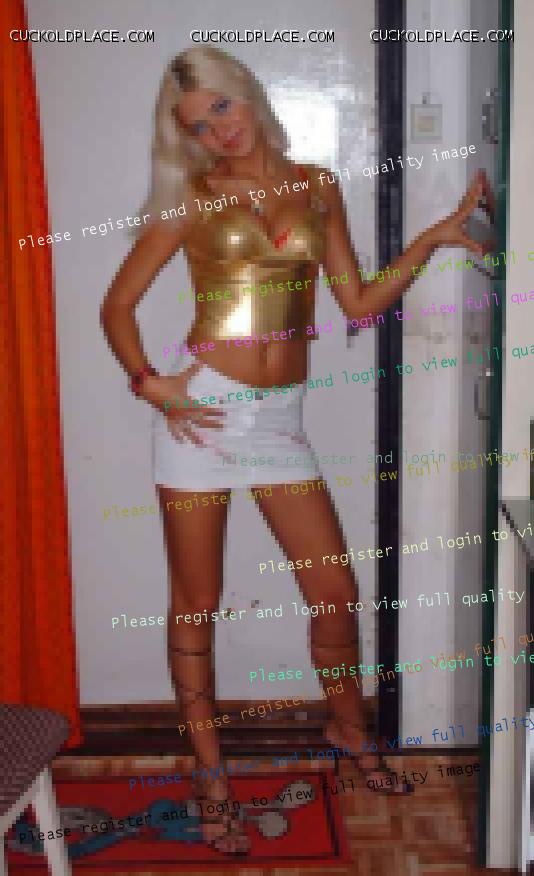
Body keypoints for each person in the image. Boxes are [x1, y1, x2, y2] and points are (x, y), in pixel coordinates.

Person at [101, 45, 491, 856]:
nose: (219, 131)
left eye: (222, 107)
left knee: (334, 593)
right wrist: (151, 384)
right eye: (198, 125)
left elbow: (358, 302)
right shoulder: (192, 199)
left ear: (247, 94)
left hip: (280, 422)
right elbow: (118, 306)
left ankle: (348, 731)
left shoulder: (318, 185)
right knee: (196, 604)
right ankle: (211, 777)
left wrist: (433, 239)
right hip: (204, 418)